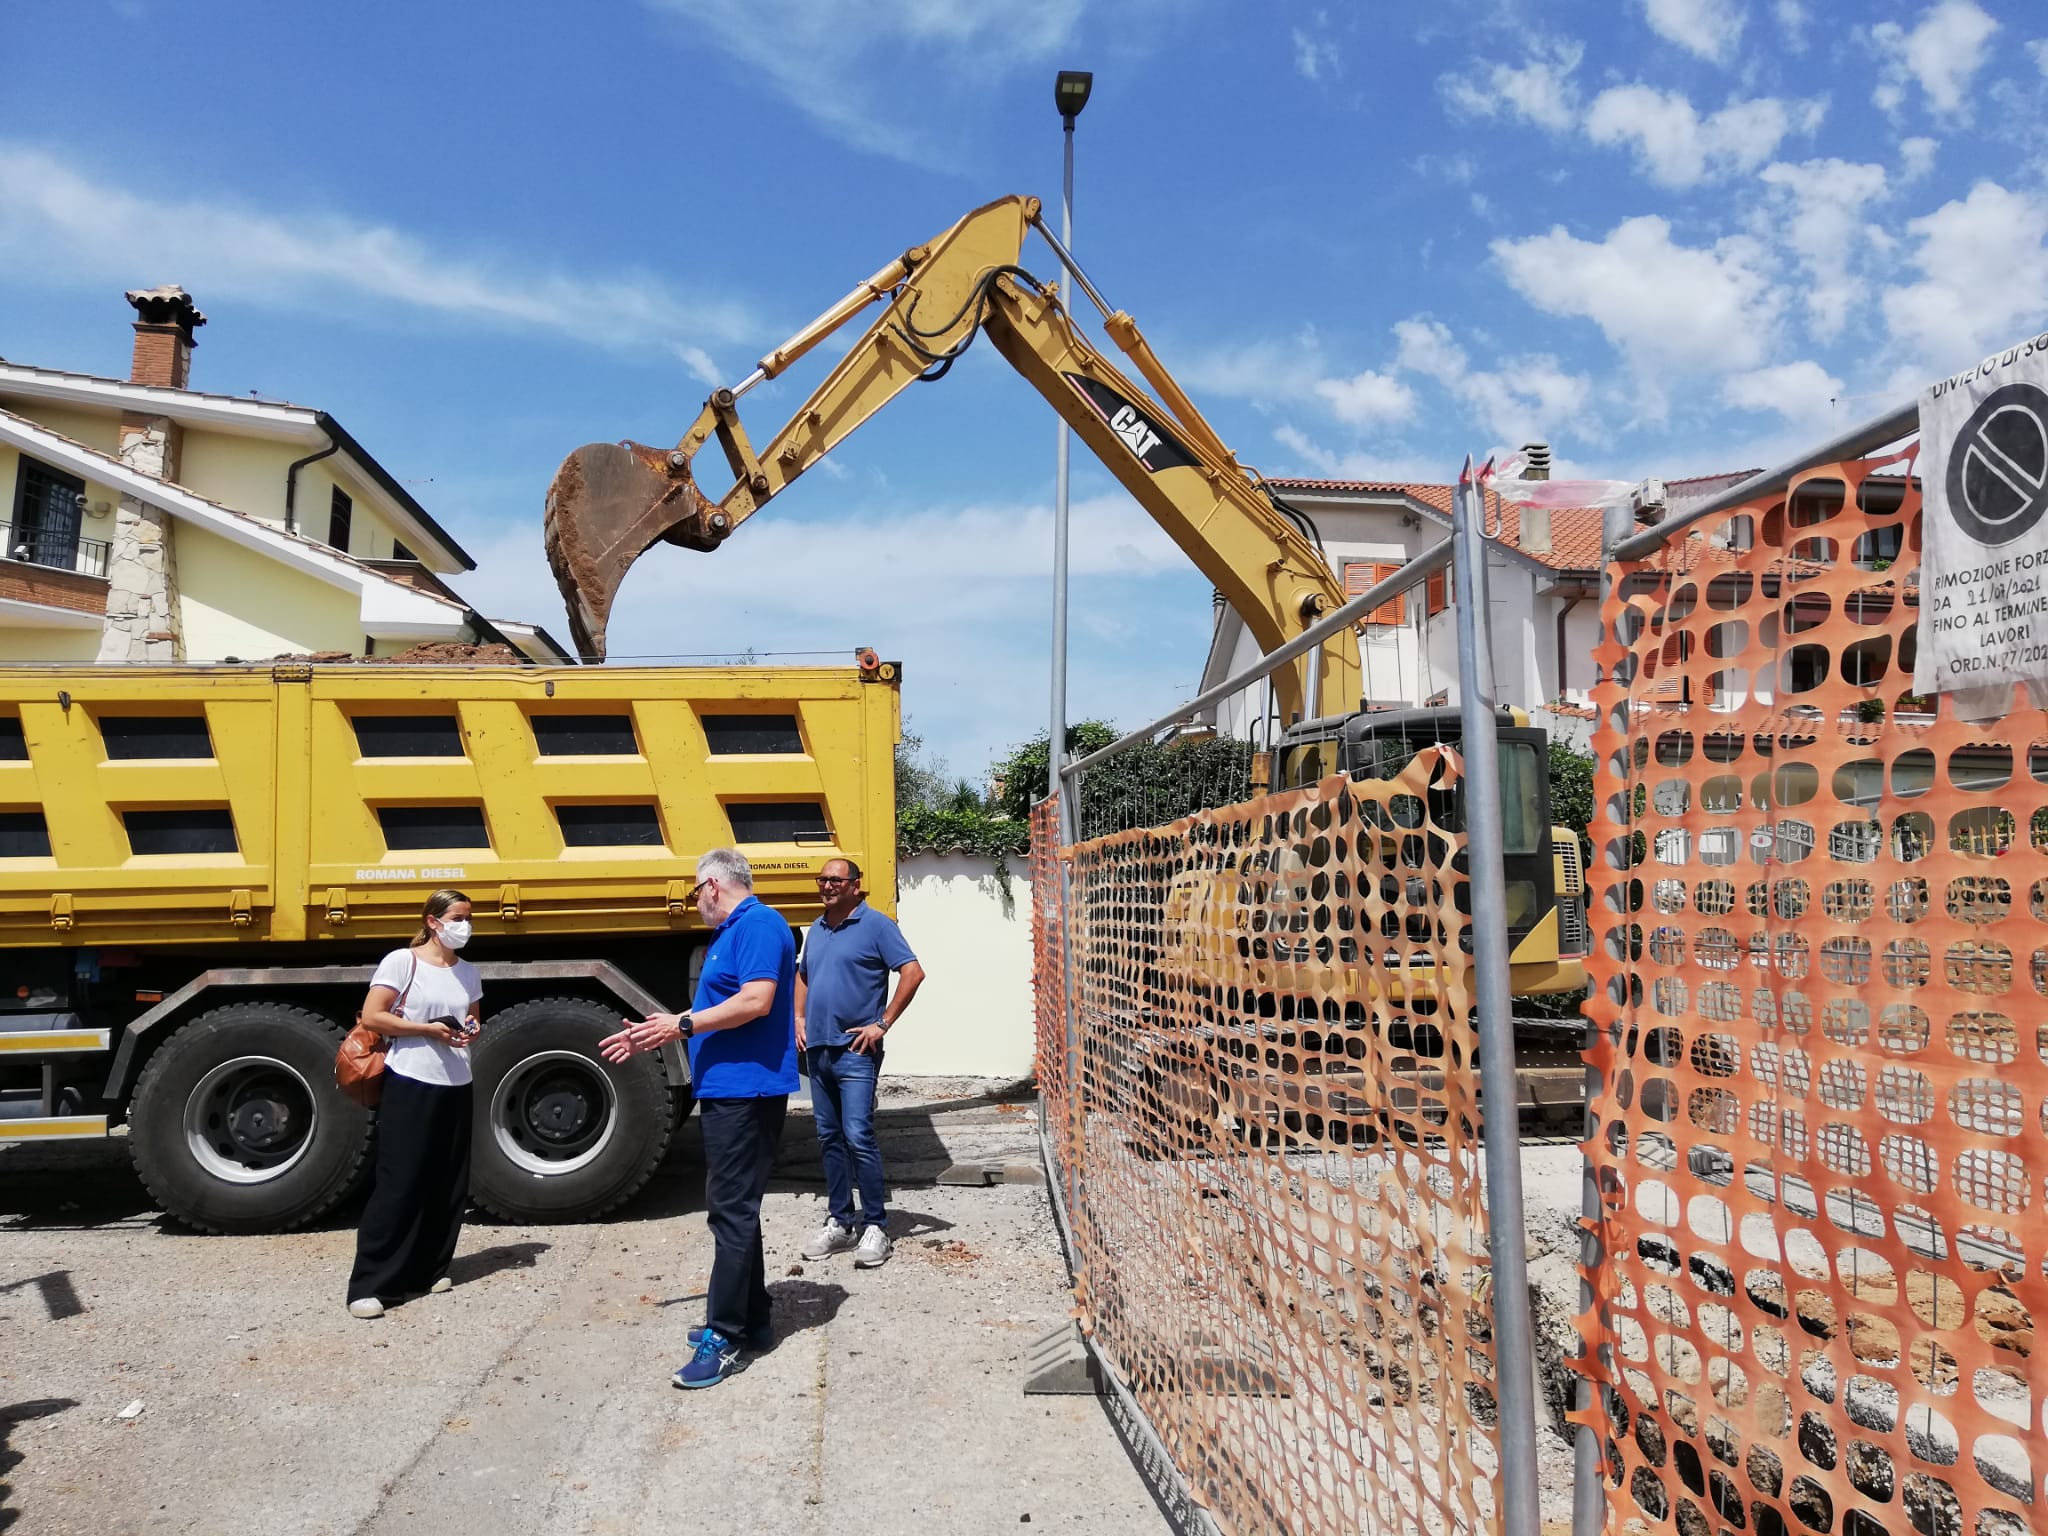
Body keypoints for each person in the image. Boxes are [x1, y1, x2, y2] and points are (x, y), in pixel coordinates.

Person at [601, 848, 796, 1390]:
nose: (695, 904)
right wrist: (665, 1028)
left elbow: (757, 1000)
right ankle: (753, 1320)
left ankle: (725, 1336)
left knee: (729, 1211)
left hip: (746, 1091)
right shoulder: (733, 930)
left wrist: (680, 1025)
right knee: (736, 1209)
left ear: (713, 885)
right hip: (731, 1088)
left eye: (694, 893)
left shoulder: (758, 925)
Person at [347, 889, 482, 1319]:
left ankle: (430, 1268)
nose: (465, 925)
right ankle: (372, 1284)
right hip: (411, 1079)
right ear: (432, 921)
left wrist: (471, 1028)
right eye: (458, 917)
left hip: (458, 1080)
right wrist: (426, 1029)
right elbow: (373, 1016)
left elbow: (474, 1015)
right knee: (400, 1179)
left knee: (447, 1180)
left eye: (469, 917)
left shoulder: (469, 971)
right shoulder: (401, 962)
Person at [795, 859, 924, 1269]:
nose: (827, 885)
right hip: (818, 1050)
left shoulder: (877, 925)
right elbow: (803, 975)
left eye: (836, 880)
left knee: (858, 1137)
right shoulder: (817, 928)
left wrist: (882, 1023)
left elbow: (913, 972)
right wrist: (798, 1018)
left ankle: (876, 1226)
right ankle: (840, 1222)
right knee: (828, 1138)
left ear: (855, 885)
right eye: (822, 880)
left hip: (855, 1053)